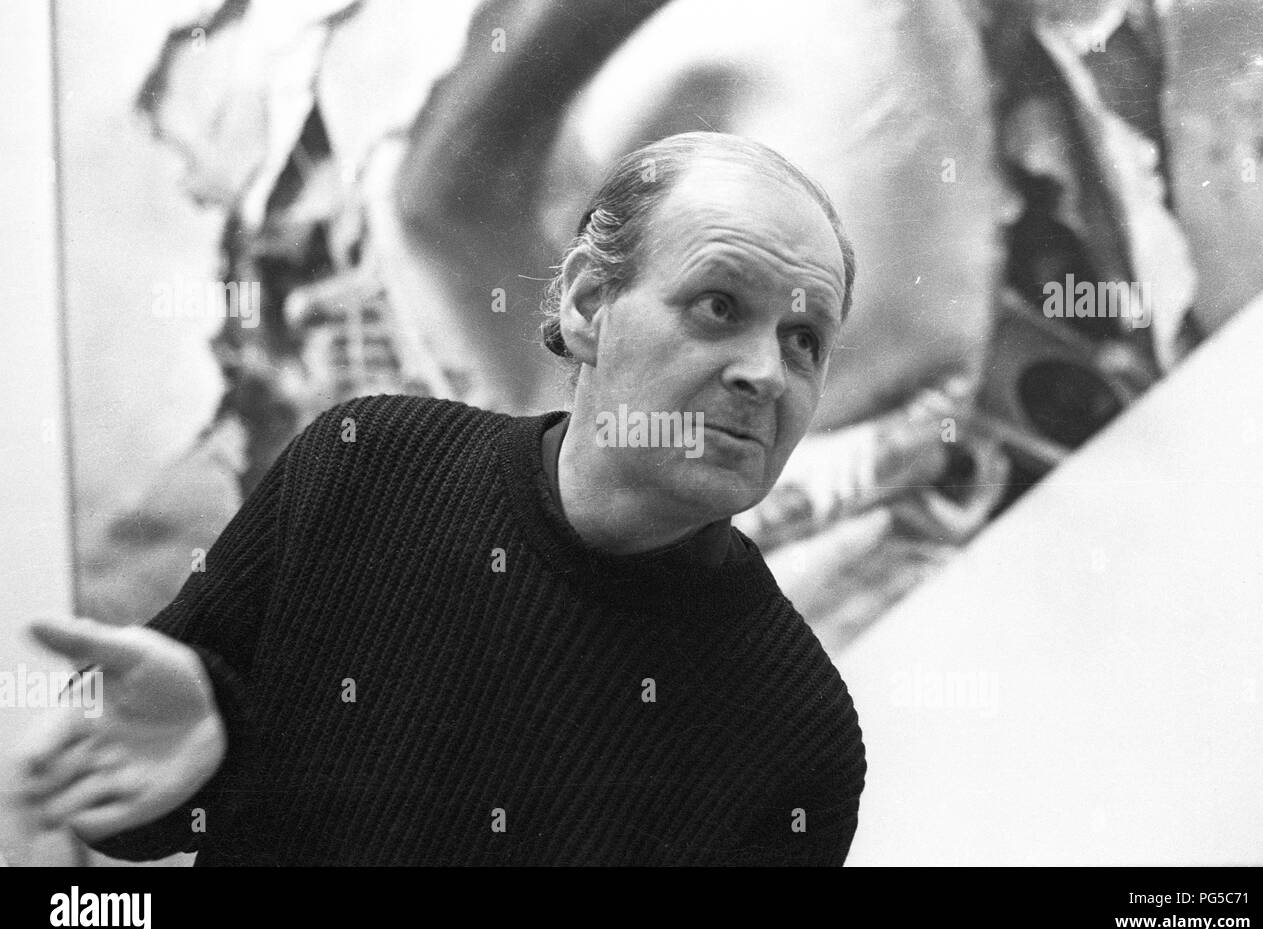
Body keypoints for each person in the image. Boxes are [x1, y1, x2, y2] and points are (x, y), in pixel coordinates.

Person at [12, 132, 867, 866]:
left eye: (804, 340)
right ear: (587, 303)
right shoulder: (366, 466)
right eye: (720, 305)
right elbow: (144, 794)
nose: (765, 373)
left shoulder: (798, 736)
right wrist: (182, 773)